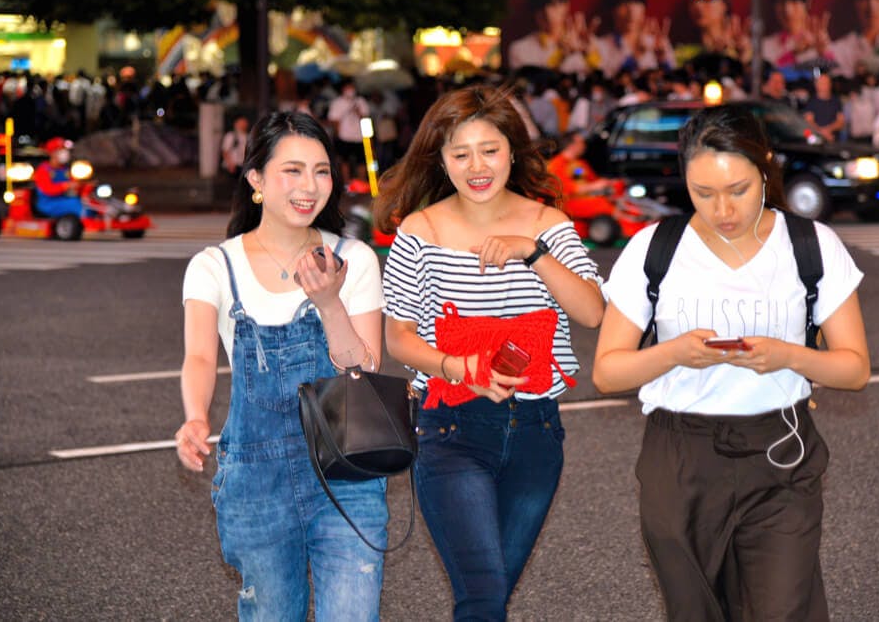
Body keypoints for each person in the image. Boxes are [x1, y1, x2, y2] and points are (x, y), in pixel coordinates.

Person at [593, 104, 870, 621]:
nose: (722, 209)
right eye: (704, 193)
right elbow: (608, 372)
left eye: (738, 189)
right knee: (694, 610)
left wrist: (786, 355)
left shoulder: (812, 245)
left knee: (782, 610)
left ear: (765, 166)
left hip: (780, 451)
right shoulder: (656, 248)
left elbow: (855, 369)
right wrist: (675, 353)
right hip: (679, 455)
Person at [374, 85, 605, 620]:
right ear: (442, 161)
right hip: (451, 429)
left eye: (490, 150)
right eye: (461, 154)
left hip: (536, 432)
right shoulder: (420, 231)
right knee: (482, 599)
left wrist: (534, 254)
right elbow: (400, 338)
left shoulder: (547, 224)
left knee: (490, 597)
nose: (477, 166)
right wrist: (459, 366)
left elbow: (592, 312)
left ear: (513, 152)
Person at [175, 112, 389, 621]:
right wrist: (196, 417)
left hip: (348, 471)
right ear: (256, 179)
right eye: (292, 170)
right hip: (254, 480)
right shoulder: (214, 266)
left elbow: (366, 366)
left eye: (321, 171)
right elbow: (200, 356)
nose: (309, 186)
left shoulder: (353, 258)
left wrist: (330, 303)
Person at [508, 0, 597, 76]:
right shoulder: (520, 49)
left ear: (566, 5)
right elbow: (529, 84)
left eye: (554, 5)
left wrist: (588, 55)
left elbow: (608, 78)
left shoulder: (587, 41)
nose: (548, 14)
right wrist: (560, 56)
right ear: (533, 11)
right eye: (541, 7)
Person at [593, 0, 675, 79]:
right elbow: (606, 85)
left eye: (636, 3)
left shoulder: (657, 43)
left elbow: (675, 83)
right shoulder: (601, 46)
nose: (631, 11)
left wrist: (662, 60)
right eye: (623, 3)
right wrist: (636, 55)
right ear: (612, 9)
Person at [762, 0, 834, 75]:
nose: (787, 10)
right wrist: (794, 54)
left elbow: (833, 80)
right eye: (781, 2)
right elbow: (768, 80)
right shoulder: (765, 46)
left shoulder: (821, 41)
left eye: (794, 1)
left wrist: (823, 54)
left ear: (808, 2)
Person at [327, 79, 370, 181]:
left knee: (362, 161)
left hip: (360, 137)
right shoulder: (337, 102)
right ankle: (347, 184)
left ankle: (362, 184)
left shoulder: (360, 101)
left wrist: (358, 112)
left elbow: (366, 118)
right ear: (343, 89)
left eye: (352, 88)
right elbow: (332, 120)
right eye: (348, 88)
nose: (350, 90)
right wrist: (337, 133)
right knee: (344, 161)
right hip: (344, 136)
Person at [34, 137, 85, 218]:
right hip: (48, 204)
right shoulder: (43, 170)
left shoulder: (66, 169)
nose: (65, 153)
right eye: (61, 150)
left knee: (86, 202)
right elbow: (47, 189)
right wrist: (66, 186)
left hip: (65, 199)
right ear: (52, 153)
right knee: (77, 205)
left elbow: (75, 185)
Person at [803, 72, 845, 141]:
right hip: (817, 139)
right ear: (816, 85)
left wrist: (828, 129)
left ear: (830, 84)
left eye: (826, 83)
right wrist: (822, 133)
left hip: (834, 138)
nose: (825, 85)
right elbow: (809, 122)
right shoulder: (810, 102)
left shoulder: (836, 101)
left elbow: (841, 122)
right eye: (821, 83)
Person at [220, 112, 249, 177]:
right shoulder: (231, 135)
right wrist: (230, 164)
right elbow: (225, 151)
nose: (244, 124)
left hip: (243, 166)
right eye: (242, 122)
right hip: (232, 166)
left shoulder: (247, 136)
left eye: (245, 122)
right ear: (236, 123)